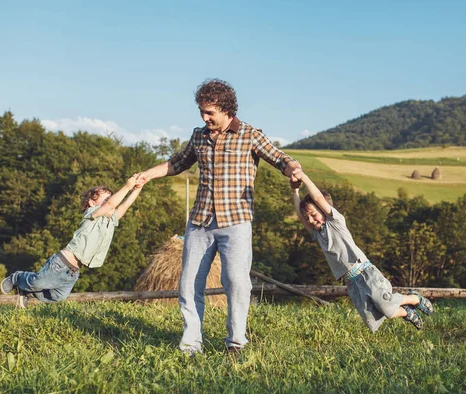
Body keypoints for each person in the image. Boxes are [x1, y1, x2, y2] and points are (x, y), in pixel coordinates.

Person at [137, 78, 301, 353]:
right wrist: (147, 175)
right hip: (200, 221)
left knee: (236, 282)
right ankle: (191, 344)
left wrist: (293, 169)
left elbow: (279, 158)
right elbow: (177, 162)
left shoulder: (250, 134)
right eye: (201, 111)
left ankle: (235, 342)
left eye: (210, 112)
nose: (204, 117)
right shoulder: (199, 136)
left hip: (235, 221)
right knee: (189, 283)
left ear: (226, 109)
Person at [291, 170, 434, 332]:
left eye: (313, 214)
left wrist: (304, 177)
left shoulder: (335, 222)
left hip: (365, 273)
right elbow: (301, 216)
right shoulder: (318, 235)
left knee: (384, 303)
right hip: (352, 283)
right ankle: (407, 313)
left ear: (324, 209)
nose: (310, 220)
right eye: (307, 217)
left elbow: (317, 197)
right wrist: (295, 192)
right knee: (375, 318)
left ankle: (414, 298)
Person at [0, 174, 145, 307]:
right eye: (105, 198)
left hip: (73, 272)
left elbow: (124, 205)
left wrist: (137, 189)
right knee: (38, 281)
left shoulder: (110, 220)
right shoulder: (91, 215)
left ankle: (26, 292)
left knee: (57, 296)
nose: (110, 201)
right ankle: (17, 278)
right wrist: (127, 186)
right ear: (91, 203)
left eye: (110, 197)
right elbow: (110, 205)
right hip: (61, 262)